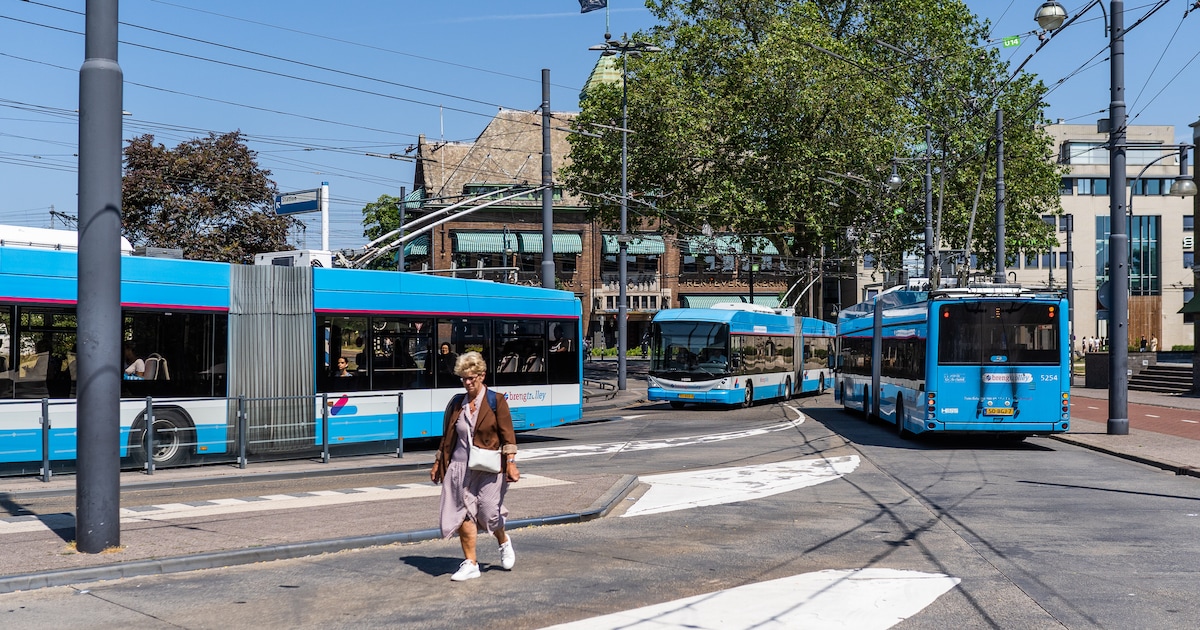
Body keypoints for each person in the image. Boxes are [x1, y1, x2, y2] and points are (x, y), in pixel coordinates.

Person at [430, 351, 519, 582]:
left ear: (482, 375)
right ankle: (471, 563)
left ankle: (503, 540)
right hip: (459, 468)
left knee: (489, 512)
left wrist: (510, 464)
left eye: (471, 378)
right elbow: (447, 436)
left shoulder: (495, 401)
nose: (467, 383)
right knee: (464, 515)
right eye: (463, 378)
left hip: (488, 467)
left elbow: (508, 436)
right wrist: (438, 462)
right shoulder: (457, 403)